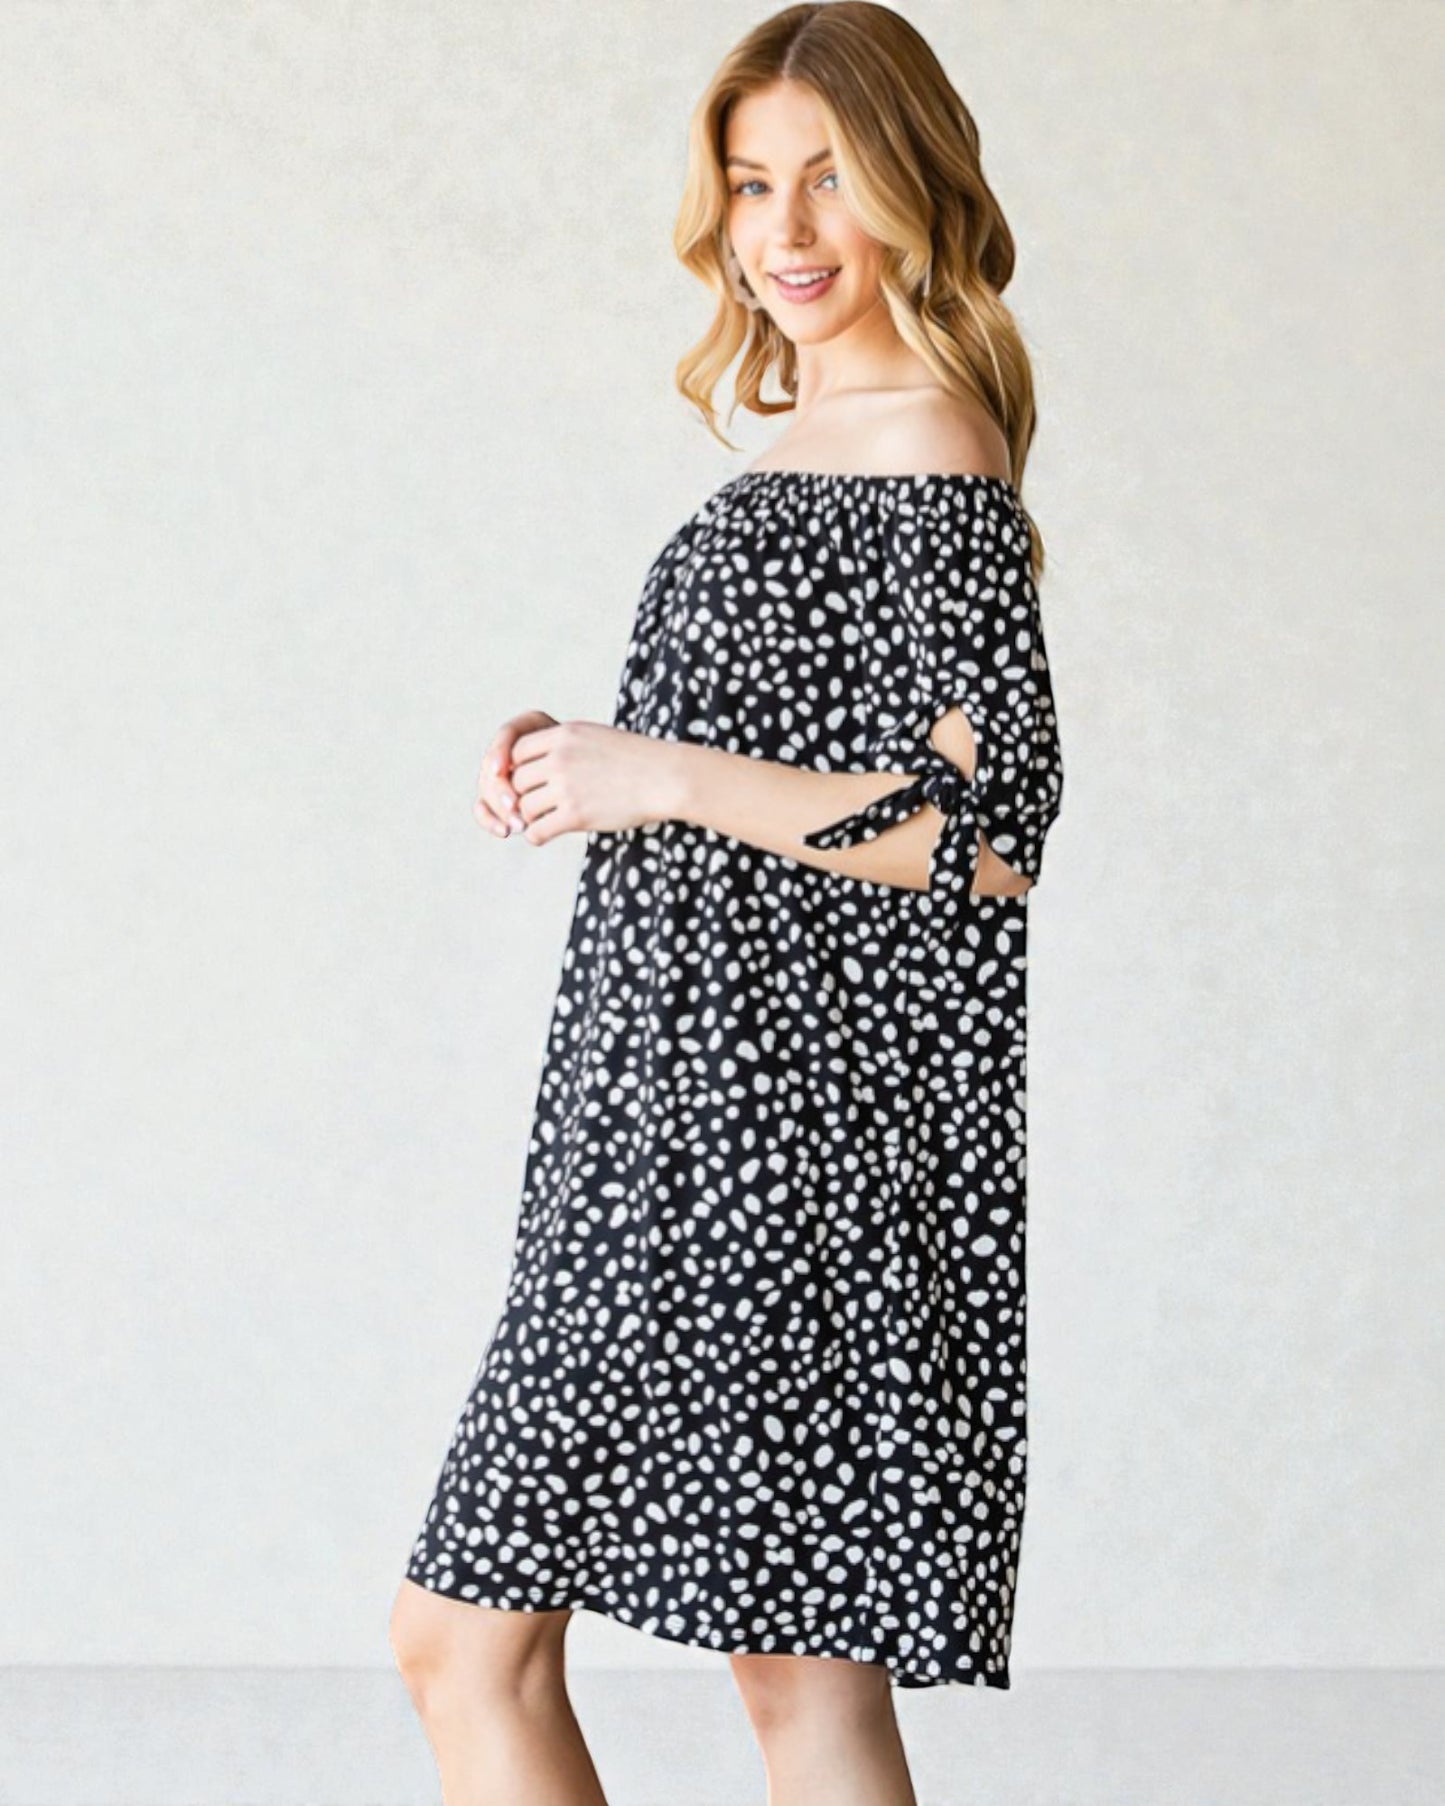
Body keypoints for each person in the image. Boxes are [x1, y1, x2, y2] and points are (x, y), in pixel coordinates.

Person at [388, 5, 1065, 1802]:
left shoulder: (931, 450)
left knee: (521, 1647)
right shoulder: (813, 445)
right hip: (666, 1116)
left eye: (830, 178)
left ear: (912, 186)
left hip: (772, 1141)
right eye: (753, 182)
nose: (783, 229)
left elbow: (988, 832)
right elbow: (784, 756)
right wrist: (573, 753)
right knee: (757, 1679)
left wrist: (665, 775)